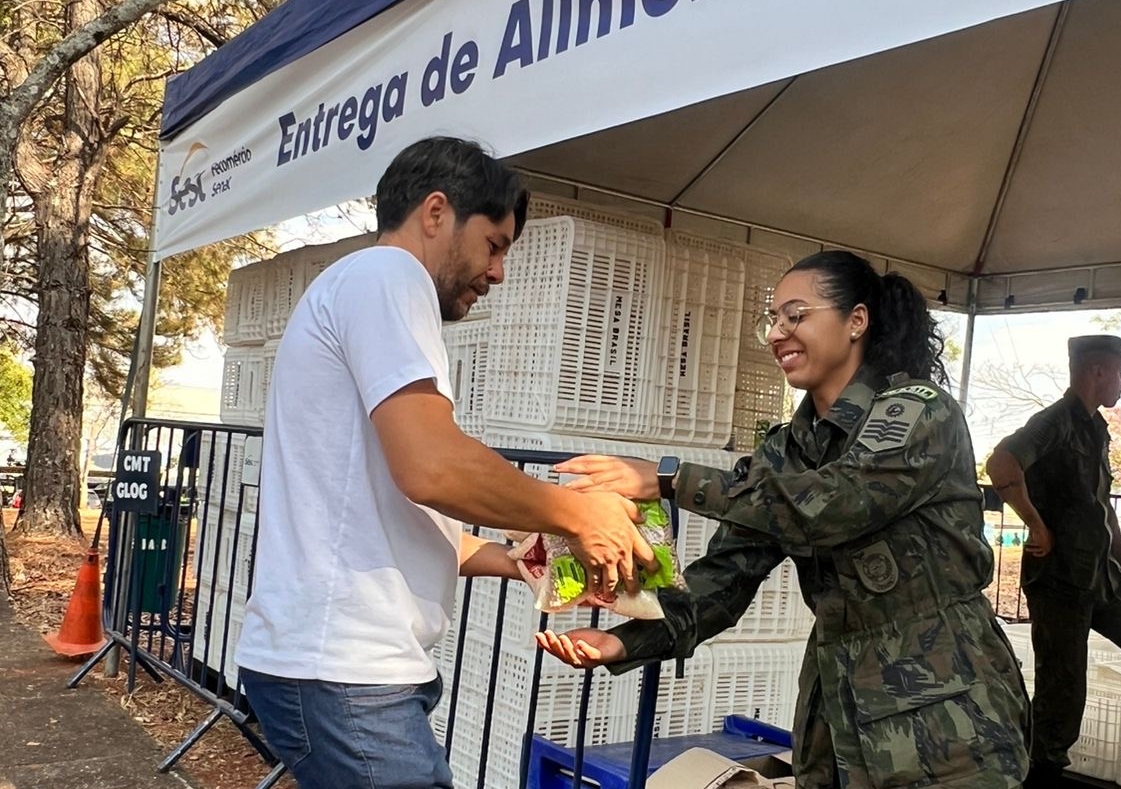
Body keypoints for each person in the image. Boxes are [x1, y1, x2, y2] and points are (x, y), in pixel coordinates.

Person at [236, 136, 658, 789]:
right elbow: (432, 466)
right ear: (436, 213)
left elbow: (389, 505)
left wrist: (513, 557)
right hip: (346, 668)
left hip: (341, 667)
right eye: (494, 244)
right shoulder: (388, 276)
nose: (499, 272)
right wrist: (581, 514)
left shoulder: (357, 287)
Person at [538, 250, 1029, 788]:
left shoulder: (916, 409)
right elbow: (726, 576)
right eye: (771, 320)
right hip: (836, 708)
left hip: (945, 706)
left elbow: (835, 504)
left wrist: (671, 479)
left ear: (856, 321)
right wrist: (626, 641)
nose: (777, 334)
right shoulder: (785, 449)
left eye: (795, 315)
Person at [986, 335, 1121, 789]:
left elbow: (1098, 504)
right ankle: (1039, 780)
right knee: (1062, 698)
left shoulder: (1093, 428)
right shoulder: (1054, 422)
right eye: (1120, 372)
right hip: (1060, 583)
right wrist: (1036, 525)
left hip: (1103, 580)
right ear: (1097, 371)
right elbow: (1002, 463)